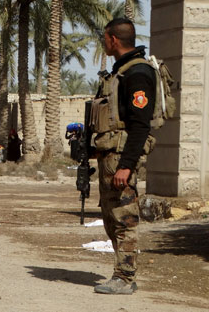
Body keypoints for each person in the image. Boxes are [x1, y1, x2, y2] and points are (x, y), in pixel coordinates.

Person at [91, 18, 156, 295]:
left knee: (125, 218)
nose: (104, 43)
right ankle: (121, 272)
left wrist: (126, 166)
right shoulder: (119, 73)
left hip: (121, 158)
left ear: (113, 39)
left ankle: (125, 277)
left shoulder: (138, 73)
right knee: (111, 217)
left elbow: (141, 125)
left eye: (105, 38)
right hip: (110, 155)